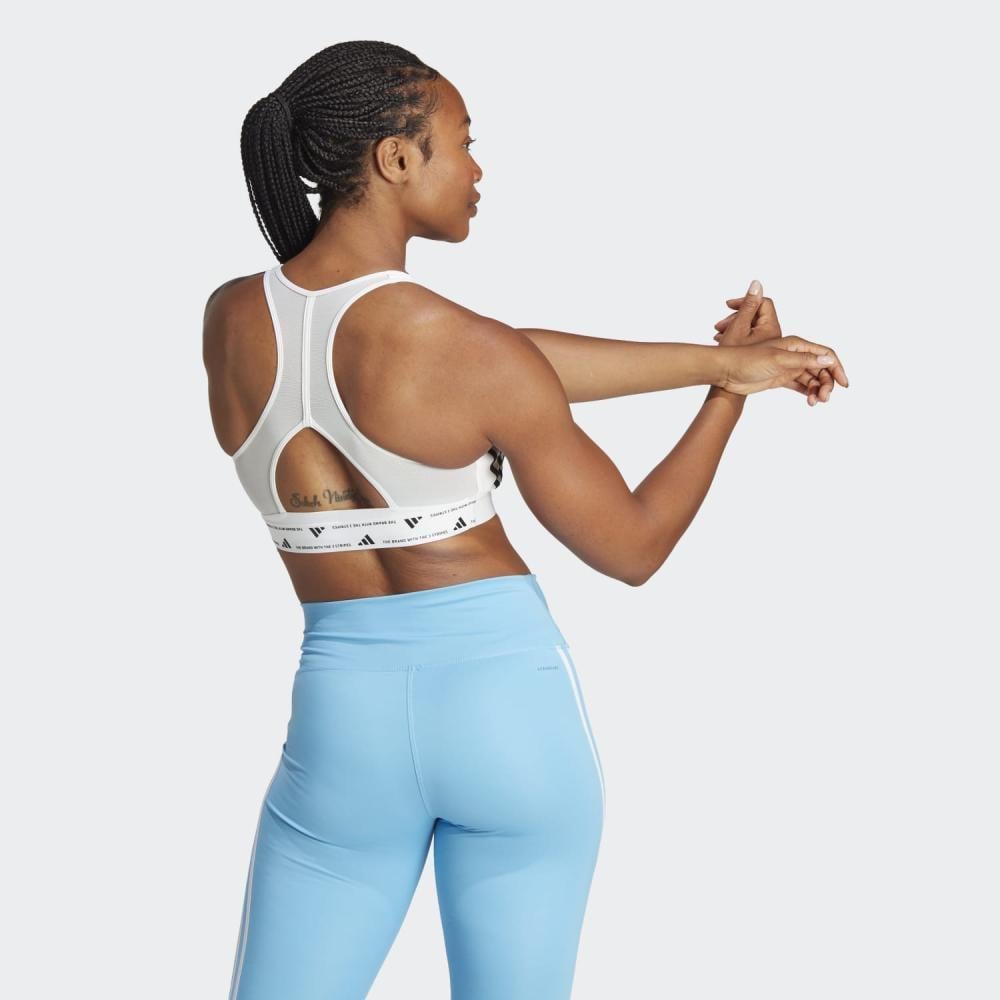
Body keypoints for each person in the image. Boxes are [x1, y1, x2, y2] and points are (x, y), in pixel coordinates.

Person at [202, 40, 848, 1000]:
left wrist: (719, 361)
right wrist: (727, 399)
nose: (478, 168)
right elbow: (633, 546)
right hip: (507, 714)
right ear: (396, 158)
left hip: (343, 729)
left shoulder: (232, 322)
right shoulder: (467, 352)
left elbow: (498, 359)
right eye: (465, 141)